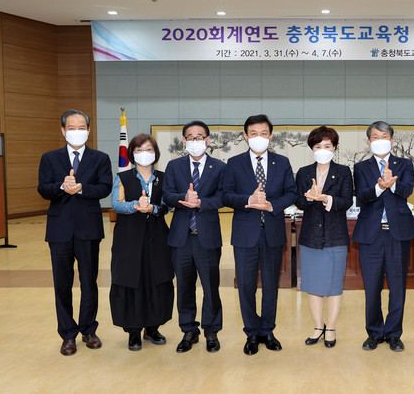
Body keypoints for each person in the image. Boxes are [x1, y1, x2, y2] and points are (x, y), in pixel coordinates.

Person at [37, 109, 113, 356]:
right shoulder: (50, 158)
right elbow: (43, 188)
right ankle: (67, 334)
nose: (76, 131)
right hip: (59, 229)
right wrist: (61, 186)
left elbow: (105, 187)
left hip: (88, 228)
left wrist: (81, 188)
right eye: (71, 128)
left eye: (81, 127)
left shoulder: (100, 158)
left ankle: (89, 330)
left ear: (89, 131)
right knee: (62, 284)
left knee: (89, 281)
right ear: (63, 131)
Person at [222, 114, 298, 355]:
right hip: (245, 235)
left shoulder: (282, 162)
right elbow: (226, 195)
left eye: (263, 133)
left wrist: (272, 205)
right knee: (246, 286)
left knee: (271, 285)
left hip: (273, 233)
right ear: (245, 137)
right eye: (253, 133)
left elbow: (292, 192)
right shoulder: (234, 163)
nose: (258, 137)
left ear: (271, 136)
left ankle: (267, 330)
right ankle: (252, 333)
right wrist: (248, 199)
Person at [352, 121, 414, 352]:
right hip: (371, 235)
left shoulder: (404, 164)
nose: (379, 140)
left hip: (397, 234)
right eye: (375, 137)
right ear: (368, 141)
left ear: (392, 140)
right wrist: (380, 187)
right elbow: (362, 196)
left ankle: (393, 334)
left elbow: (407, 190)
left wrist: (392, 185)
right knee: (372, 288)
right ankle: (374, 333)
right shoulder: (361, 167)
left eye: (384, 137)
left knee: (397, 287)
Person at [162, 121, 226, 353]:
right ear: (184, 141)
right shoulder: (174, 166)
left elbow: (223, 197)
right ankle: (189, 330)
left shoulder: (219, 167)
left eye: (200, 137)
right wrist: (183, 198)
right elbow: (166, 195)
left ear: (208, 140)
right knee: (184, 287)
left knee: (211, 287)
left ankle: (211, 330)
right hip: (181, 238)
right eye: (190, 137)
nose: (195, 140)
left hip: (207, 237)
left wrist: (201, 202)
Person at [109, 133, 174, 351]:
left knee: (157, 279)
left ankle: (152, 328)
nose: (144, 154)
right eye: (138, 150)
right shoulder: (123, 178)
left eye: (148, 149)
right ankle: (134, 331)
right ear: (131, 154)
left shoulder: (164, 178)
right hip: (128, 238)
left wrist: (153, 208)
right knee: (131, 280)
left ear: (155, 153)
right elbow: (116, 204)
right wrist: (134, 206)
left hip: (157, 238)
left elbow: (168, 205)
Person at [294, 126, 353, 348]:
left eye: (327, 145)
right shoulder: (303, 172)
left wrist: (326, 198)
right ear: (312, 148)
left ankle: (331, 328)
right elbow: (299, 202)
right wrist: (309, 197)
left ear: (334, 148)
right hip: (310, 236)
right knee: (313, 285)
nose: (322, 149)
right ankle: (318, 326)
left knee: (334, 286)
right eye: (318, 146)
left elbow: (346, 201)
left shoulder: (344, 171)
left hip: (336, 236)